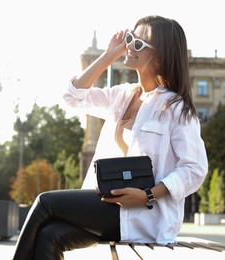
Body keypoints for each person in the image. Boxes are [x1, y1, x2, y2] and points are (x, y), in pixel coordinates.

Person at [12, 15, 208, 260]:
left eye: (138, 44)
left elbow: (195, 169)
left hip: (145, 214)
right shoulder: (122, 95)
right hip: (107, 203)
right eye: (130, 38)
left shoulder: (176, 108)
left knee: (45, 203)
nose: (129, 46)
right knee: (49, 234)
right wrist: (108, 56)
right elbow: (72, 96)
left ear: (159, 59)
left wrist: (148, 194)